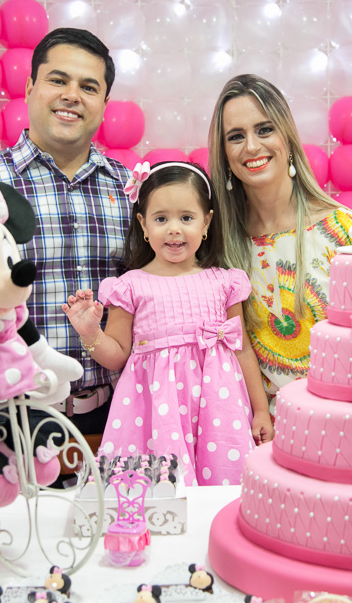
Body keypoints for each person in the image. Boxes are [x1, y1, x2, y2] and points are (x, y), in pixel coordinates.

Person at [0, 28, 132, 441]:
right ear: (30, 87)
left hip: (113, 421)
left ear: (103, 103)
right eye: (58, 80)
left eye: (88, 86)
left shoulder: (131, 192)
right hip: (6, 419)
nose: (71, 96)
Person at [62, 162, 274, 485]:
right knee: (154, 497)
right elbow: (118, 354)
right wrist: (91, 332)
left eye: (186, 218)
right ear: (143, 226)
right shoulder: (130, 286)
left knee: (222, 489)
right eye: (161, 219)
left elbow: (242, 349)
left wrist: (260, 410)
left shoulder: (224, 282)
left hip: (218, 408)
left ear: (207, 223)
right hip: (155, 412)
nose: (174, 229)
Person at [207, 74, 352, 402]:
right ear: (224, 154)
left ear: (286, 136)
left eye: (264, 129)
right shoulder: (215, 247)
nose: (251, 147)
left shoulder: (343, 232)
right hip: (253, 436)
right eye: (236, 136)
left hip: (339, 426)